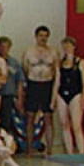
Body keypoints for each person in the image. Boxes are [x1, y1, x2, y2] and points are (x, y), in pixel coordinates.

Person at [22, 25, 58, 157]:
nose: (43, 38)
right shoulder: (28, 52)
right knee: (30, 117)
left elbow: (56, 73)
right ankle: (29, 148)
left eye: (45, 36)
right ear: (36, 37)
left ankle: (49, 149)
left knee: (48, 118)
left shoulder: (53, 52)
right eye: (41, 36)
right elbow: (25, 70)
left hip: (47, 85)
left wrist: (54, 96)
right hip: (33, 85)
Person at [56, 36, 84, 155]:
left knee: (76, 126)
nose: (67, 48)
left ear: (74, 47)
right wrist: (53, 99)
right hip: (62, 94)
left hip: (76, 94)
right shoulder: (60, 63)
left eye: (69, 46)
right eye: (65, 46)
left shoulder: (80, 62)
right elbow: (57, 82)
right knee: (64, 124)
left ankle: (81, 152)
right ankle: (69, 153)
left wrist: (83, 99)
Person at [0, 36, 25, 136]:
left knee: (7, 121)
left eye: (6, 47)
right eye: (1, 46)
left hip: (8, 95)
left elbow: (20, 81)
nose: (3, 49)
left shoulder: (14, 63)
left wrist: (19, 98)